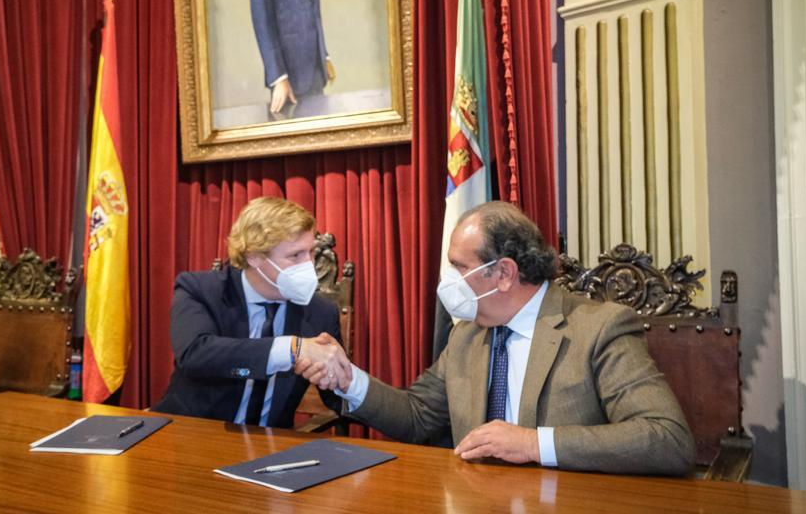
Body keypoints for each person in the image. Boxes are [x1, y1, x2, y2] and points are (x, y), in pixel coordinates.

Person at [297, 201, 696, 476]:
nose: (448, 281)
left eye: (458, 267)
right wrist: (350, 381)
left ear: (504, 273)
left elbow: (666, 438)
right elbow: (418, 417)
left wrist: (533, 444)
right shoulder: (466, 336)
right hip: (477, 512)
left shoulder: (599, 328)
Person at [152, 197, 348, 428]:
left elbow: (338, 397)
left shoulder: (320, 312)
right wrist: (291, 349)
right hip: (191, 434)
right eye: (295, 255)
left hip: (270, 446)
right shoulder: (200, 289)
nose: (309, 264)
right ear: (254, 257)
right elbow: (196, 355)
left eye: (311, 252)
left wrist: (340, 379)